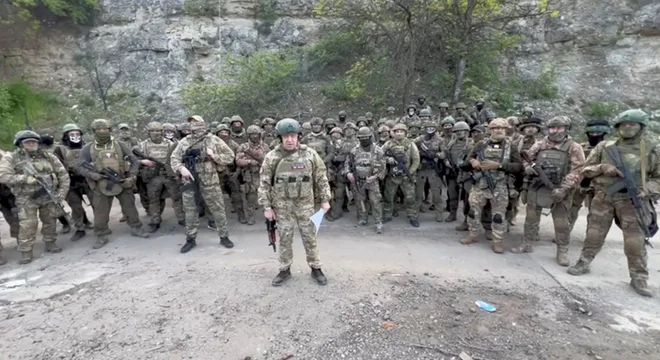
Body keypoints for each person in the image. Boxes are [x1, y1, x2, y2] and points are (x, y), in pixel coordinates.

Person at [568, 109, 659, 297]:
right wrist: (602, 167)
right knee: (594, 234)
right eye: (623, 125)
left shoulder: (651, 149)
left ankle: (639, 277)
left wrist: (647, 189)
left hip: (633, 202)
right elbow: (584, 170)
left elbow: (658, 177)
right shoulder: (604, 147)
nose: (627, 128)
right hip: (604, 198)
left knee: (635, 242)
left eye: (632, 124)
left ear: (641, 127)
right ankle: (583, 262)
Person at [258, 118, 332, 286]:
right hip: (282, 205)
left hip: (305, 204)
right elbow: (263, 183)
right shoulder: (272, 157)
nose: (289, 140)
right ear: (280, 138)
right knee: (284, 237)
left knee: (310, 237)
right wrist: (267, 207)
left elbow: (321, 177)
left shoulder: (310, 154)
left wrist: (325, 200)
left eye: (293, 136)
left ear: (298, 136)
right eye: (285, 137)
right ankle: (284, 269)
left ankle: (315, 268)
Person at [514, 116, 585, 266]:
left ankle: (562, 251)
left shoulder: (574, 147)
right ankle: (527, 244)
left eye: (559, 128)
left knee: (561, 223)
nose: (555, 131)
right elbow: (526, 160)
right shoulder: (539, 145)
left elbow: (578, 170)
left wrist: (564, 188)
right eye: (553, 128)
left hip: (560, 189)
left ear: (566, 129)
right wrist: (528, 169)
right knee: (531, 219)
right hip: (538, 187)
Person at [76, 119, 150, 249]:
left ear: (110, 130)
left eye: (105, 129)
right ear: (94, 131)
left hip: (121, 181)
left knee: (130, 208)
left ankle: (136, 227)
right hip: (100, 184)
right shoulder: (88, 148)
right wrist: (94, 176)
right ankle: (101, 234)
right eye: (99, 129)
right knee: (101, 212)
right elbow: (80, 167)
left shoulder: (120, 145)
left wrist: (132, 176)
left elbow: (134, 161)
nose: (102, 131)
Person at [0, 130, 70, 264]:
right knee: (28, 225)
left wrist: (61, 193)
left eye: (34, 141)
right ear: (20, 144)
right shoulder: (11, 158)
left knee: (50, 220)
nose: (31, 144)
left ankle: (50, 243)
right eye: (27, 142)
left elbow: (63, 175)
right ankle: (26, 252)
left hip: (48, 195)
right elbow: (3, 176)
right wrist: (25, 179)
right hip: (26, 198)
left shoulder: (48, 157)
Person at [171, 115, 236, 253]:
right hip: (190, 180)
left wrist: (214, 156)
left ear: (202, 124)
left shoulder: (213, 140)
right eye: (191, 122)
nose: (193, 125)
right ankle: (190, 239)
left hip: (210, 181)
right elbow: (174, 159)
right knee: (190, 211)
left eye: (195, 122)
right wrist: (181, 168)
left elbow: (230, 157)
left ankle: (224, 236)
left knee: (218, 209)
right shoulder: (184, 142)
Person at [460, 118, 522, 253]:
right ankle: (473, 235)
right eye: (495, 128)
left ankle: (497, 241)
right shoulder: (481, 144)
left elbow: (518, 167)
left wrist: (499, 166)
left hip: (499, 185)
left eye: (502, 128)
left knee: (498, 216)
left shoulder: (511, 146)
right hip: (480, 184)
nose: (499, 130)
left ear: (506, 130)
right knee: (473, 212)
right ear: (490, 130)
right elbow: (467, 160)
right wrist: (472, 162)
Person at [134, 121, 185, 232]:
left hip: (169, 175)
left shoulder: (170, 144)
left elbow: (177, 157)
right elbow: (133, 159)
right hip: (152, 177)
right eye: (153, 131)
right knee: (154, 200)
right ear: (148, 132)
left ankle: (181, 218)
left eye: (158, 131)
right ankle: (155, 220)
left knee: (176, 198)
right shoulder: (143, 145)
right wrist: (143, 161)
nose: (156, 133)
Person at [567, 119, 611, 233]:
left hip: (598, 185)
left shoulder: (610, 149)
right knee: (571, 208)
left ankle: (592, 237)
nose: (595, 135)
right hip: (578, 183)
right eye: (592, 133)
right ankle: (564, 232)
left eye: (598, 133)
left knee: (596, 213)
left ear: (604, 134)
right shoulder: (579, 147)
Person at [53, 123, 94, 242]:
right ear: (66, 136)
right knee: (75, 206)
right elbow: (56, 165)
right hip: (70, 181)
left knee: (97, 203)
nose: (75, 136)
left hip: (88, 179)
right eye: (72, 134)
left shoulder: (87, 146)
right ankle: (80, 228)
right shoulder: (60, 149)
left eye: (77, 134)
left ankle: (101, 227)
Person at [345, 127, 386, 233]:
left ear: (370, 137)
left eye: (366, 138)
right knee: (360, 200)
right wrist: (348, 173)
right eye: (361, 138)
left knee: (375, 201)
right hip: (358, 181)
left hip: (372, 180)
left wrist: (375, 176)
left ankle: (378, 222)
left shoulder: (378, 150)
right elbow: (347, 163)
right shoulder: (354, 150)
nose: (363, 140)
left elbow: (383, 167)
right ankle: (363, 218)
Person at [382, 124, 421, 227]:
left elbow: (416, 160)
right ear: (393, 133)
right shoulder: (388, 144)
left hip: (406, 176)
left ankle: (413, 216)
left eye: (401, 131)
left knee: (410, 198)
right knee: (388, 197)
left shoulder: (411, 144)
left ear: (405, 133)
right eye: (397, 131)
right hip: (392, 175)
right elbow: (379, 155)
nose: (399, 133)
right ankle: (387, 215)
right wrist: (388, 159)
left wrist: (410, 172)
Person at [235, 125, 270, 225]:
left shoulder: (265, 147)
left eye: (256, 134)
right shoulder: (243, 147)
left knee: (266, 197)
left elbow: (271, 160)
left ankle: (268, 217)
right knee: (251, 198)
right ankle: (251, 217)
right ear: (248, 135)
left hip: (263, 174)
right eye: (252, 134)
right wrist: (249, 162)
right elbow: (238, 161)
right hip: (250, 175)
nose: (254, 136)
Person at [415, 119, 446, 222]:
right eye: (428, 128)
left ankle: (439, 213)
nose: (430, 130)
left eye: (432, 128)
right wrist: (421, 153)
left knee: (436, 193)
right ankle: (415, 213)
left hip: (433, 169)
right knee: (418, 193)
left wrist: (435, 154)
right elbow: (412, 149)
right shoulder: (420, 139)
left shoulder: (440, 140)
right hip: (422, 168)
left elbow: (444, 154)